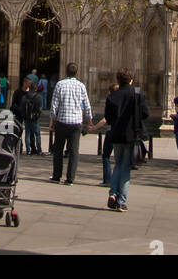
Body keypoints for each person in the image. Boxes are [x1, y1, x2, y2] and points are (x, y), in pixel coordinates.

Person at [90, 68, 149, 211]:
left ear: (118, 80)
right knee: (126, 168)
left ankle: (112, 193)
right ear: (131, 80)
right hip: (131, 136)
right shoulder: (138, 95)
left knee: (117, 164)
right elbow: (145, 114)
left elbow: (108, 118)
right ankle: (121, 201)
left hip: (116, 135)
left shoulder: (112, 96)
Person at [49, 61, 93, 185]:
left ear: (66, 71)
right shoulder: (81, 86)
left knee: (58, 150)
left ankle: (57, 176)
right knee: (74, 151)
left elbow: (54, 105)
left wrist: (52, 121)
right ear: (76, 72)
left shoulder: (60, 85)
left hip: (62, 121)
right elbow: (87, 105)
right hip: (76, 123)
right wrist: (89, 121)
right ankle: (70, 178)